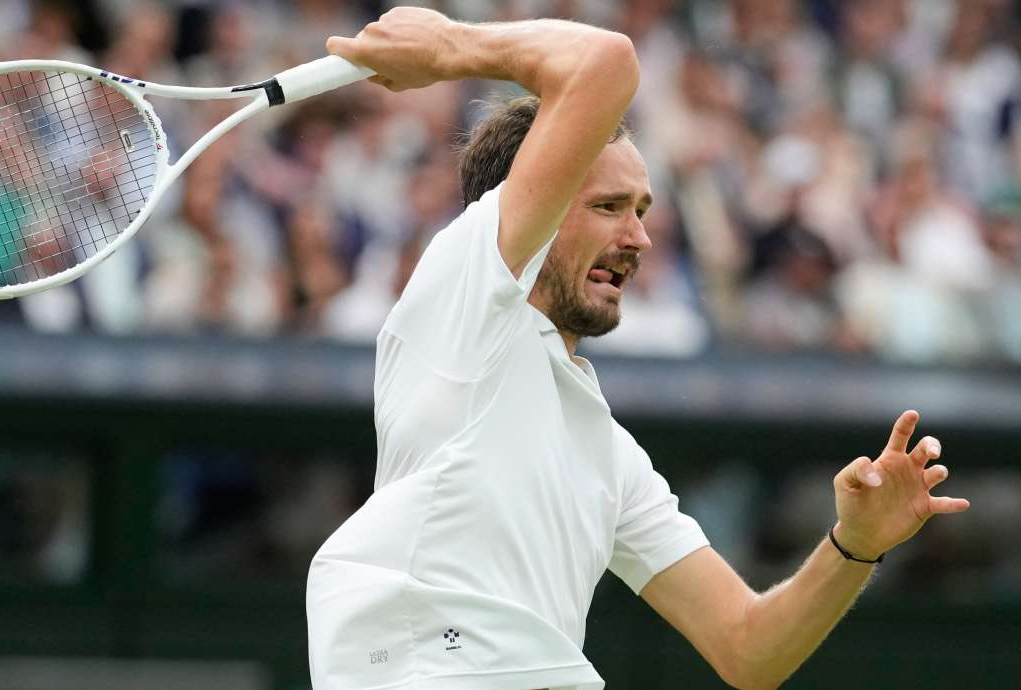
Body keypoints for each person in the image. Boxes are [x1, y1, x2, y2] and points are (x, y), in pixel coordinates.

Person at [306, 8, 970, 690]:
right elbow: (604, 63)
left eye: (642, 211)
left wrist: (854, 546)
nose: (639, 238)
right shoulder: (463, 286)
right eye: (608, 207)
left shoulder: (609, 453)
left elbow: (750, 649)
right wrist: (447, 46)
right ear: (525, 203)